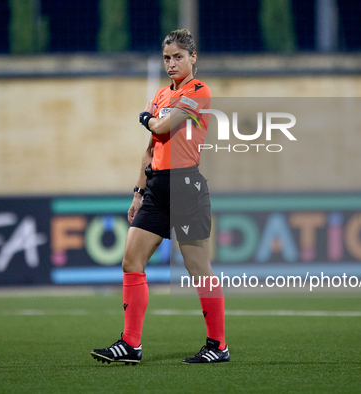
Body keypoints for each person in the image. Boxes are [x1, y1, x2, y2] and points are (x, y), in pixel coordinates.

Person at [90, 29, 228, 365]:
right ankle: (130, 345)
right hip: (157, 190)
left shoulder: (199, 91)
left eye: (178, 57)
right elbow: (150, 149)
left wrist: (147, 118)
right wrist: (138, 192)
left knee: (198, 268)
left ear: (193, 58)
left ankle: (218, 346)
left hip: (186, 187)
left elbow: (162, 128)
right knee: (130, 261)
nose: (171, 64)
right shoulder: (160, 94)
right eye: (167, 58)